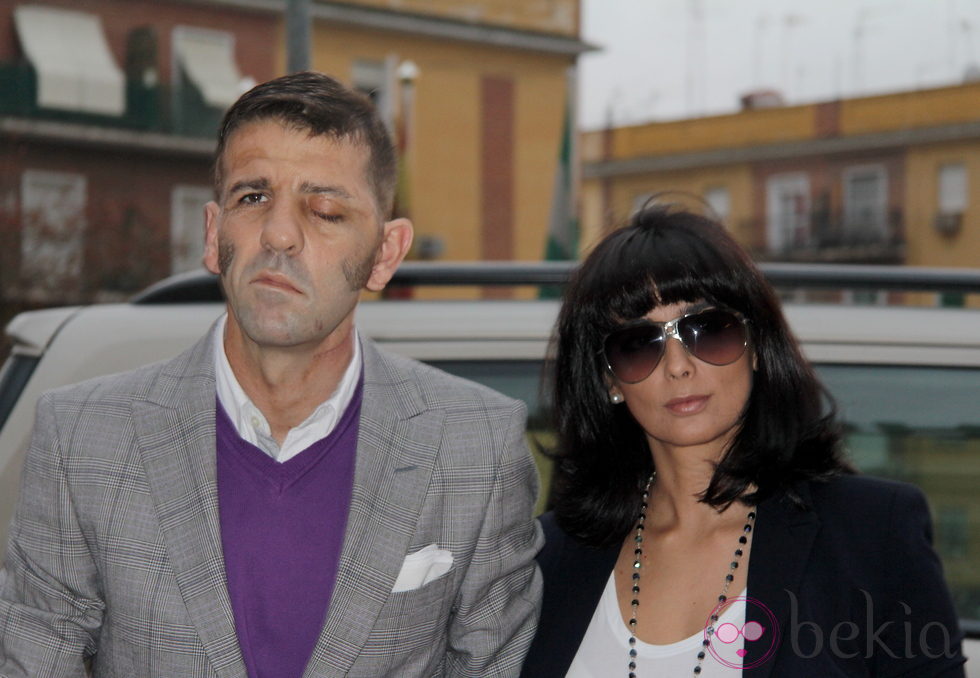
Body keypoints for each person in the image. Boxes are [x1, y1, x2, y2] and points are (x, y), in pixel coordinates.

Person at [0, 72, 542, 677]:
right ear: (213, 235)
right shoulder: (82, 440)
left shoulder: (476, 448)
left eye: (326, 210)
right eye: (253, 197)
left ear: (385, 254)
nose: (280, 234)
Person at [520, 204, 965, 677]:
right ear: (609, 379)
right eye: (637, 344)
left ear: (755, 345)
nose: (678, 365)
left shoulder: (872, 533)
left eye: (707, 329)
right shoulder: (548, 558)